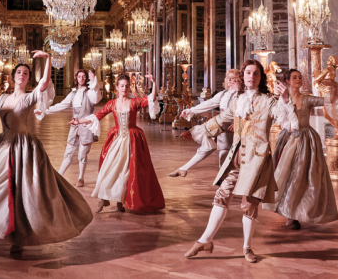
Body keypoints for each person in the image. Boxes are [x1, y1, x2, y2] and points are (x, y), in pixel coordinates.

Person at [0, 51, 93, 253]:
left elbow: (44, 81)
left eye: (26, 73)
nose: (22, 75)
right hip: (4, 148)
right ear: (13, 76)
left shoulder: (29, 97)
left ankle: (20, 238)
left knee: (24, 194)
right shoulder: (2, 99)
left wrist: (47, 58)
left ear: (28, 78)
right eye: (19, 72)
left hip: (25, 149)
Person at [183, 60, 282, 263]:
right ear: (242, 75)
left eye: (255, 73)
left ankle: (247, 247)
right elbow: (221, 120)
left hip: (257, 161)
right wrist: (196, 130)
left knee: (250, 205)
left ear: (260, 77)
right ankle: (205, 240)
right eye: (247, 72)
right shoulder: (237, 101)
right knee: (221, 196)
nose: (251, 77)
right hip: (236, 158)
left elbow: (284, 116)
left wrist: (286, 99)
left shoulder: (269, 100)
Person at [73, 73, 164, 213]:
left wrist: (154, 81)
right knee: (109, 169)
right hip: (116, 139)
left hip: (133, 140)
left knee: (127, 172)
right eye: (122, 86)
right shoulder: (112, 104)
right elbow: (97, 116)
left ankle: (121, 201)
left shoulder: (134, 102)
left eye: (127, 86)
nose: (124, 88)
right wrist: (79, 121)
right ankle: (103, 199)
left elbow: (151, 99)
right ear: (117, 87)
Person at [264, 69, 338, 229]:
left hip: (307, 141)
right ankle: (289, 211)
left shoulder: (307, 99)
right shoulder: (281, 99)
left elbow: (330, 100)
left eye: (300, 77)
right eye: (294, 77)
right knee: (286, 176)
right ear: (287, 81)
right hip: (288, 139)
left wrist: (334, 86)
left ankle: (299, 212)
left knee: (303, 177)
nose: (298, 79)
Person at [171, 69, 243, 177]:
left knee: (236, 161)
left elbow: (247, 112)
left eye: (233, 78)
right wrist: (191, 110)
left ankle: (234, 187)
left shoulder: (243, 95)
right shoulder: (224, 94)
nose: (230, 80)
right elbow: (210, 103)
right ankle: (184, 168)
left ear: (239, 80)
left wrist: (240, 123)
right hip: (222, 129)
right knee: (217, 153)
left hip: (236, 131)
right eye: (228, 78)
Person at [35, 69, 101, 187]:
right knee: (68, 152)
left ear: (86, 79)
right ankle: (59, 176)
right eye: (79, 76)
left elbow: (96, 99)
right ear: (76, 78)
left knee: (82, 154)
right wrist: (44, 111)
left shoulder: (90, 93)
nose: (81, 78)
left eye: (84, 76)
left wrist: (94, 82)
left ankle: (81, 178)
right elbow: (61, 105)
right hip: (74, 127)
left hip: (86, 127)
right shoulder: (73, 94)